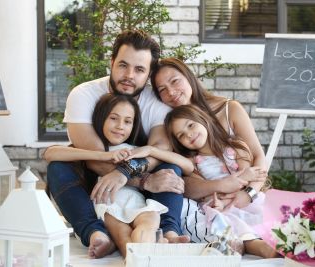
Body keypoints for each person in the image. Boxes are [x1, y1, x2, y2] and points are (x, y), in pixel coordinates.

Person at [46, 30, 188, 259]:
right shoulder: (83, 94)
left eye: (139, 69)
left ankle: (169, 231)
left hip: (137, 179)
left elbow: (160, 151)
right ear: (112, 63)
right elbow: (95, 157)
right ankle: (96, 232)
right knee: (58, 169)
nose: (129, 75)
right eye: (123, 65)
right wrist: (144, 181)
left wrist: (129, 173)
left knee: (170, 169)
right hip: (94, 180)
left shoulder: (156, 103)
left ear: (149, 73)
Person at [44, 94, 193, 258]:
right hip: (107, 202)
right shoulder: (93, 148)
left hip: (136, 201)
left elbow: (187, 165)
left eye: (127, 121)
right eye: (114, 118)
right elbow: (50, 153)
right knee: (122, 235)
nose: (120, 126)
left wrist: (150, 150)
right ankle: (136, 260)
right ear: (101, 119)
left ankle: (153, 250)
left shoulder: (136, 150)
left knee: (149, 222)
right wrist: (104, 156)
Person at [150, 57, 269, 210]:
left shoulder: (229, 109)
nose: (171, 92)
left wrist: (248, 194)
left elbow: (259, 157)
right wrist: (220, 187)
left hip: (248, 196)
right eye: (162, 90)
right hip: (209, 204)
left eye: (174, 81)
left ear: (189, 77)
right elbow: (185, 180)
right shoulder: (173, 128)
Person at [164, 104, 277, 258]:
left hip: (247, 200)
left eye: (191, 125)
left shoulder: (236, 147)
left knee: (266, 221)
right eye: (181, 135)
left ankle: (274, 244)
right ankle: (260, 248)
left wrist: (241, 187)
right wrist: (221, 203)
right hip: (221, 205)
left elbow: (249, 177)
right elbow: (204, 192)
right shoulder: (194, 163)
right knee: (227, 221)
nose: (189, 135)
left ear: (204, 120)